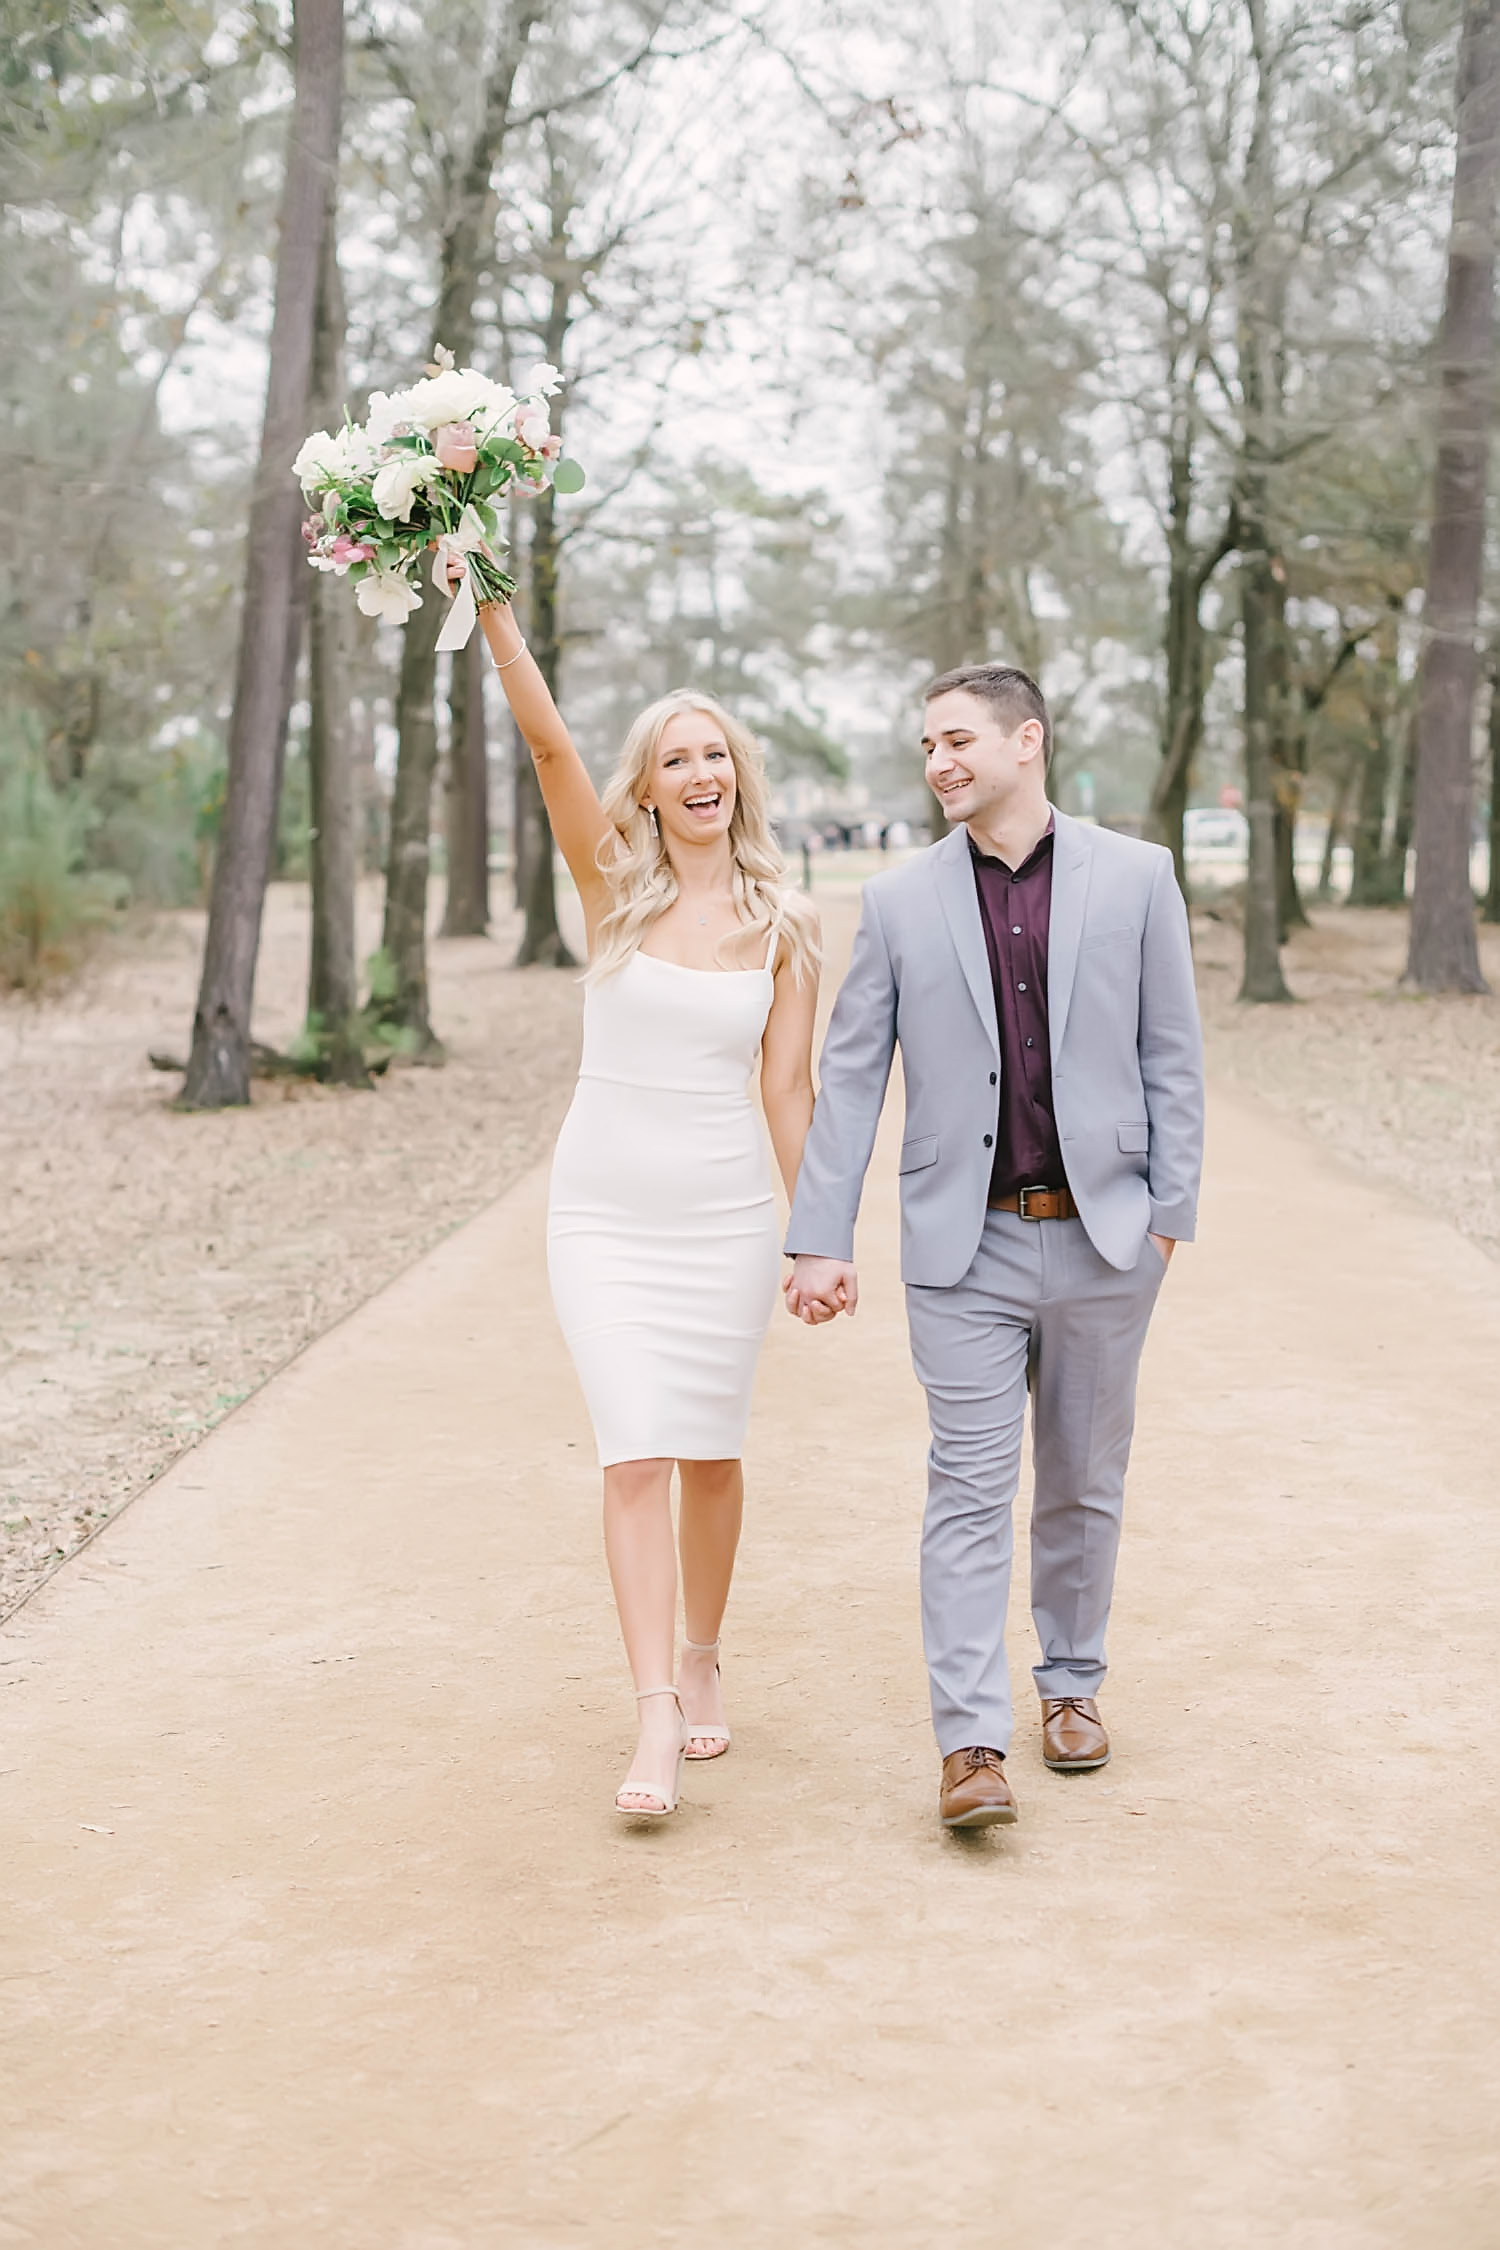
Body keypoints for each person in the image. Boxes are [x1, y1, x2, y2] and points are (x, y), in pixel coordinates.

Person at [784, 664, 1203, 1832]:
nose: (940, 763)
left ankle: (1071, 1690)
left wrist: (1170, 1215)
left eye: (958, 740)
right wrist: (819, 1235)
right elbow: (855, 1073)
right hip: (960, 1248)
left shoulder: (1138, 877)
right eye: (926, 746)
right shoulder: (900, 900)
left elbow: (1173, 1052)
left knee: (1082, 1482)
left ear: (1028, 740)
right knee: (967, 1493)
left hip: (1107, 1242)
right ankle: (969, 1742)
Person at [467, 589, 821, 1820]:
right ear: (651, 787)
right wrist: (493, 610)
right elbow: (551, 749)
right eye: (675, 757)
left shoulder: (789, 926)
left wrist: (815, 1234)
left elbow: (788, 1089)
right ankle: (655, 1716)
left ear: (739, 780)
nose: (699, 770)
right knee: (635, 1450)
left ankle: (704, 1656)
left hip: (726, 1222)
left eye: (715, 752)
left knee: (712, 1456)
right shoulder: (611, 888)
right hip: (603, 1219)